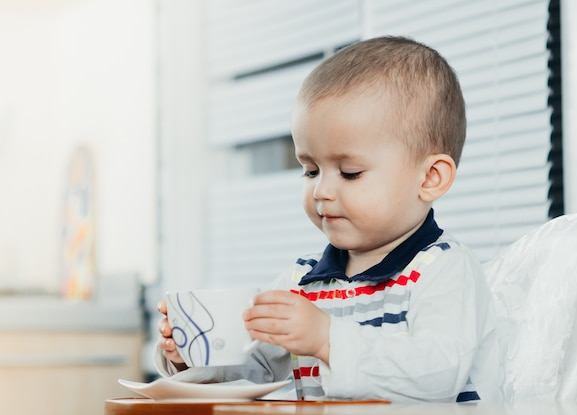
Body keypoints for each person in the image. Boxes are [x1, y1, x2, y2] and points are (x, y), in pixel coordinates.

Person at [156, 35, 502, 403]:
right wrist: (191, 355)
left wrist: (326, 338)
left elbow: (437, 374)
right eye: (310, 170)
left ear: (430, 178)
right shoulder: (302, 282)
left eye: (349, 172)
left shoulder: (445, 268)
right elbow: (253, 364)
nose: (321, 190)